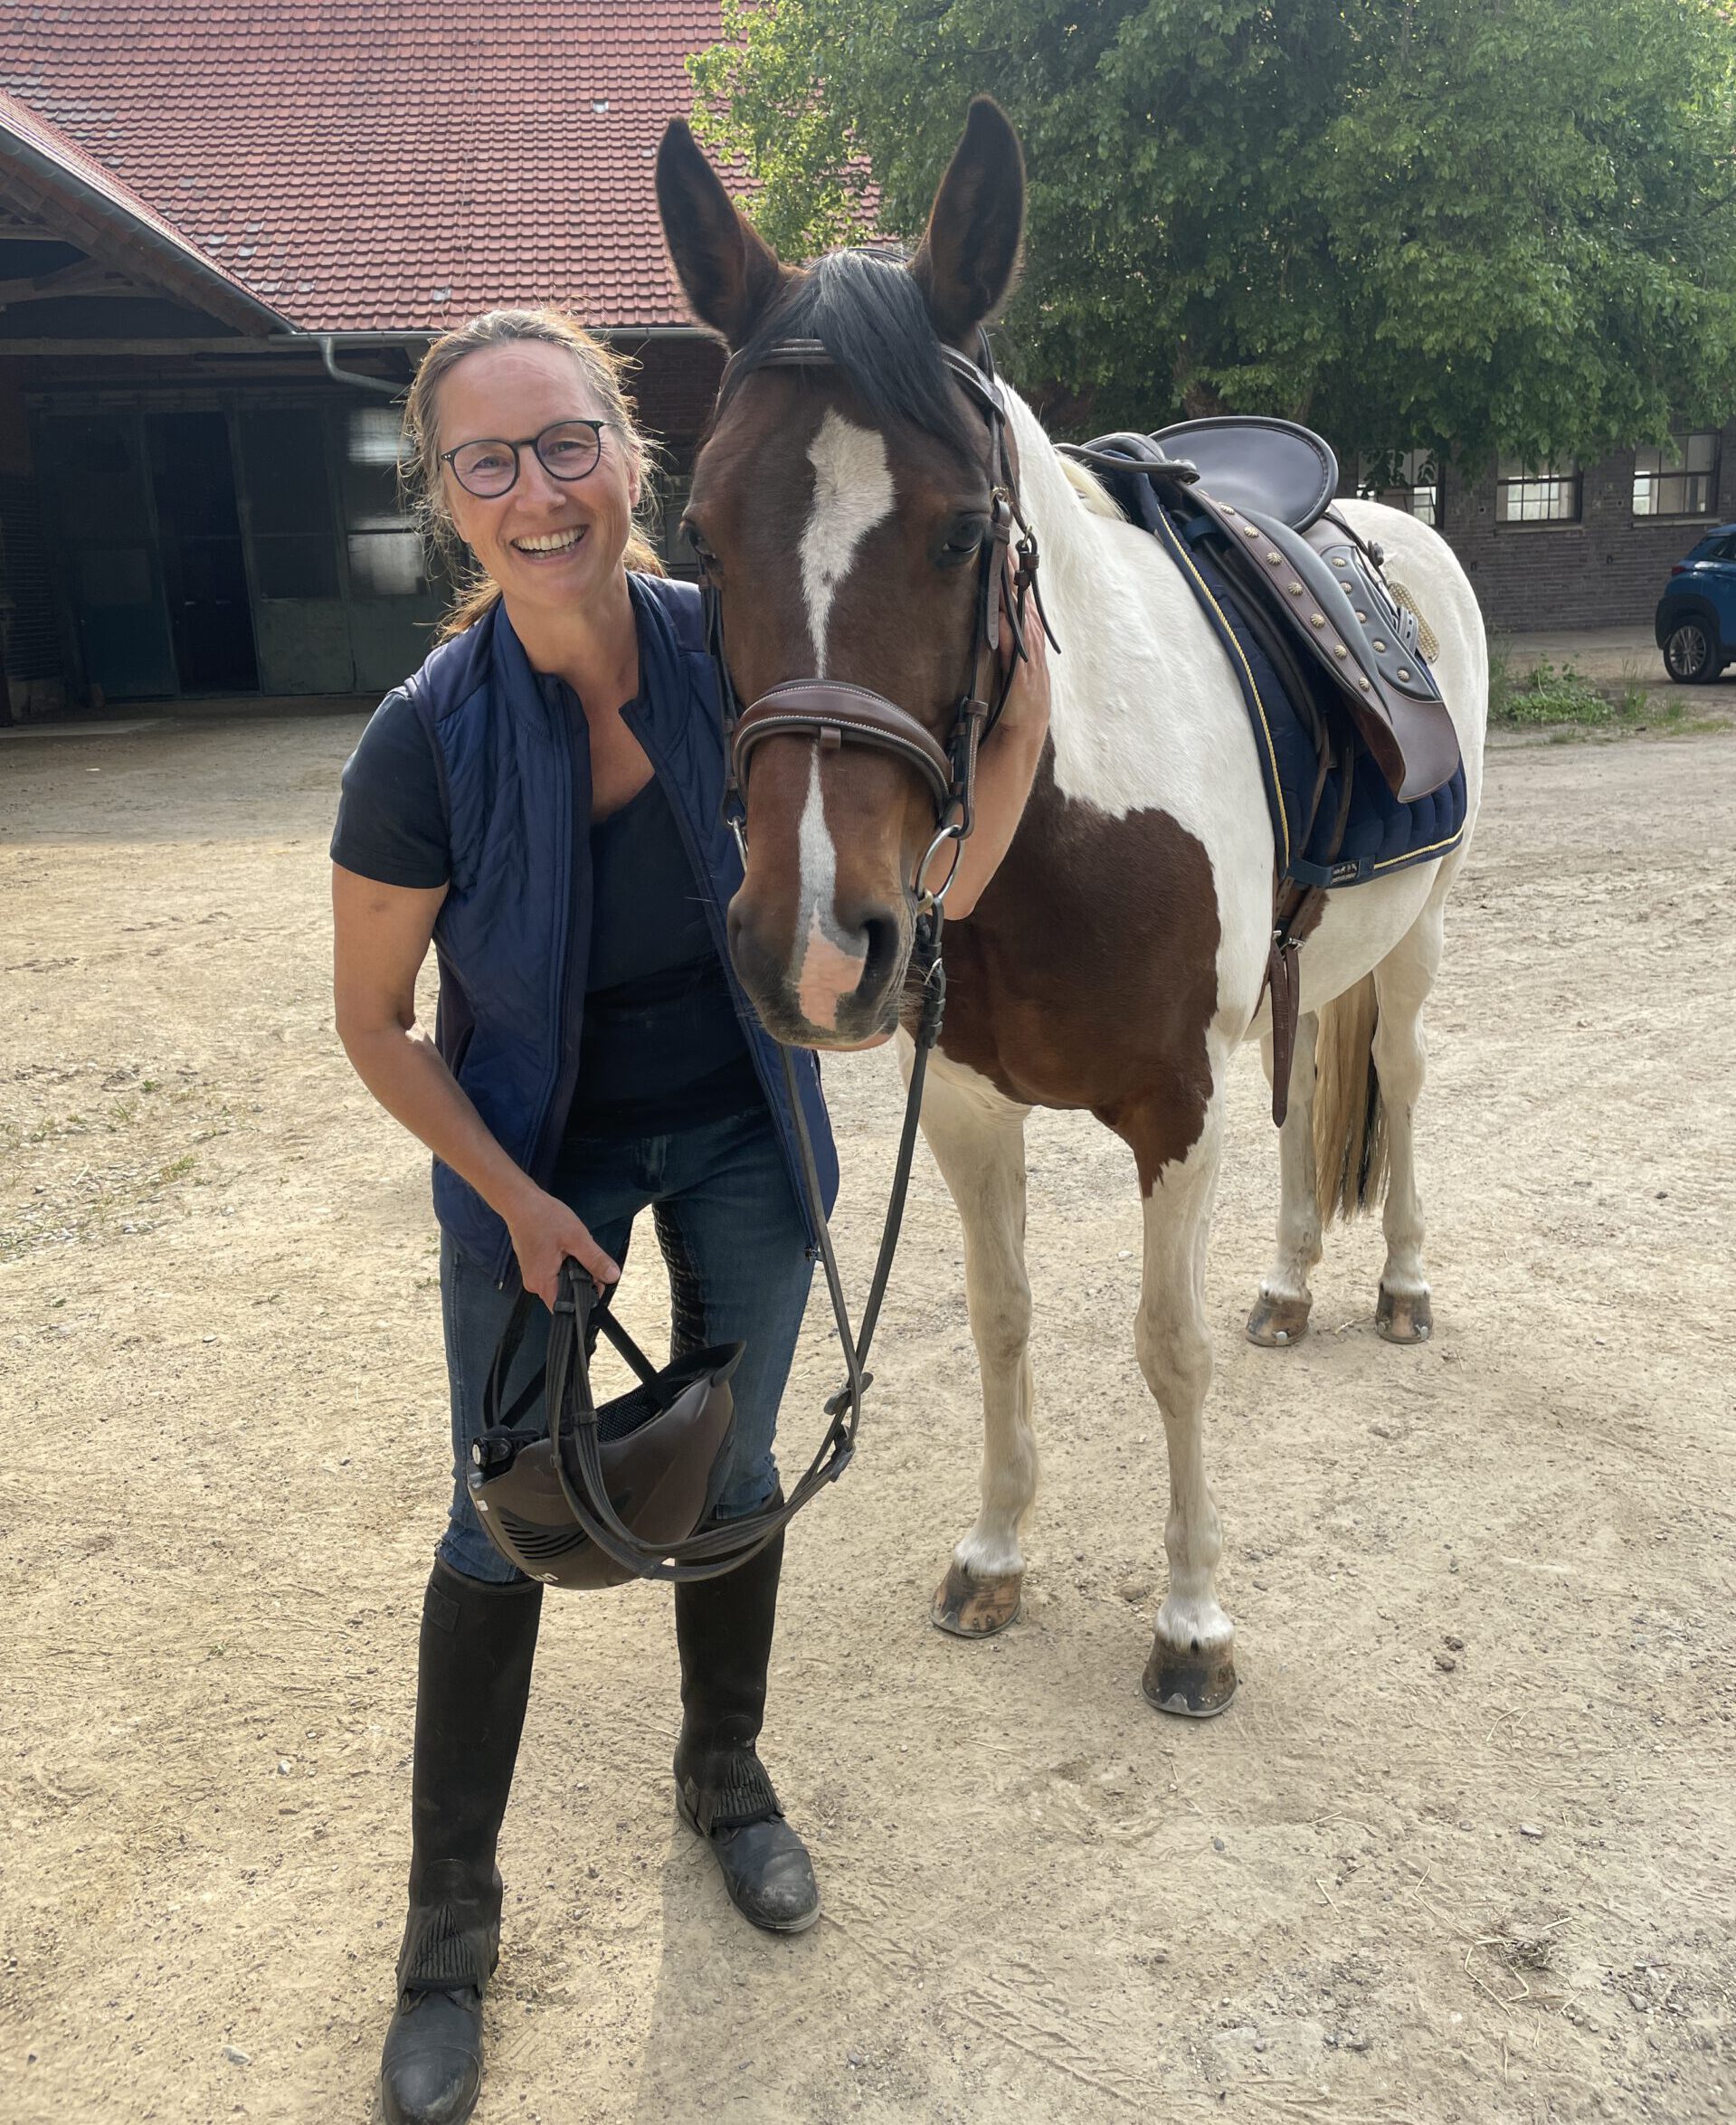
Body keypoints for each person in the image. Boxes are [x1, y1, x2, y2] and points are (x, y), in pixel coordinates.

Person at [329, 306, 1048, 2125]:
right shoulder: (422, 745)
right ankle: (447, 1932)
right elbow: (370, 1021)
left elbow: (939, 753)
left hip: (742, 1130)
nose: (538, 487)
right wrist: (512, 1199)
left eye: (567, 441)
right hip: (533, 1157)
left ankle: (724, 1773)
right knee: (500, 1520)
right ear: (449, 499)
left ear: (630, 456)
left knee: (731, 1474)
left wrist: (1000, 748)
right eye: (488, 460)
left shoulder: (727, 649)